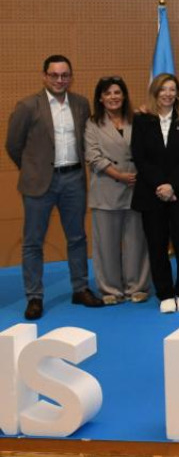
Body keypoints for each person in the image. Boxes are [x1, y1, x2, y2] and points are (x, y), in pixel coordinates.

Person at [6, 55, 105, 319]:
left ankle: (80, 288)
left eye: (64, 75)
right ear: (44, 76)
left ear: (71, 77)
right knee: (33, 242)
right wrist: (33, 169)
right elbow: (13, 145)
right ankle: (34, 296)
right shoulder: (28, 106)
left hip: (73, 179)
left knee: (77, 238)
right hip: (39, 183)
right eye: (54, 75)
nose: (60, 80)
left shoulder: (81, 104)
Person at [132, 73, 179, 313]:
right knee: (157, 245)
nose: (168, 94)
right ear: (155, 92)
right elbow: (140, 157)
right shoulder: (141, 120)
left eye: (172, 89)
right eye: (163, 89)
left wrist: (172, 185)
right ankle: (165, 293)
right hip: (152, 194)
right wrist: (160, 185)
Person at [85, 76, 148, 304]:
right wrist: (119, 175)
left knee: (137, 240)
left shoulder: (137, 119)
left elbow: (148, 150)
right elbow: (93, 156)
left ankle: (137, 286)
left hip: (136, 188)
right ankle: (110, 289)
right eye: (108, 93)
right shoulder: (93, 123)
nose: (113, 97)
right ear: (100, 98)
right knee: (106, 243)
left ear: (124, 96)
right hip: (107, 188)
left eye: (117, 93)